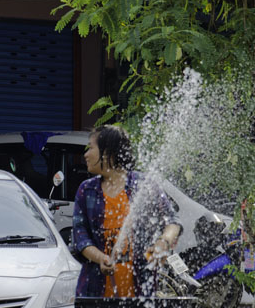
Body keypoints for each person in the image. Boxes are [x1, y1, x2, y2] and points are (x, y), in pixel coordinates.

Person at [72, 125, 181, 297]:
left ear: (108, 153)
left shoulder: (144, 186)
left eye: (91, 148)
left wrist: (163, 243)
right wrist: (101, 258)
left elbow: (172, 222)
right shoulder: (86, 190)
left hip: (140, 292)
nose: (85, 154)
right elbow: (80, 237)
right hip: (95, 293)